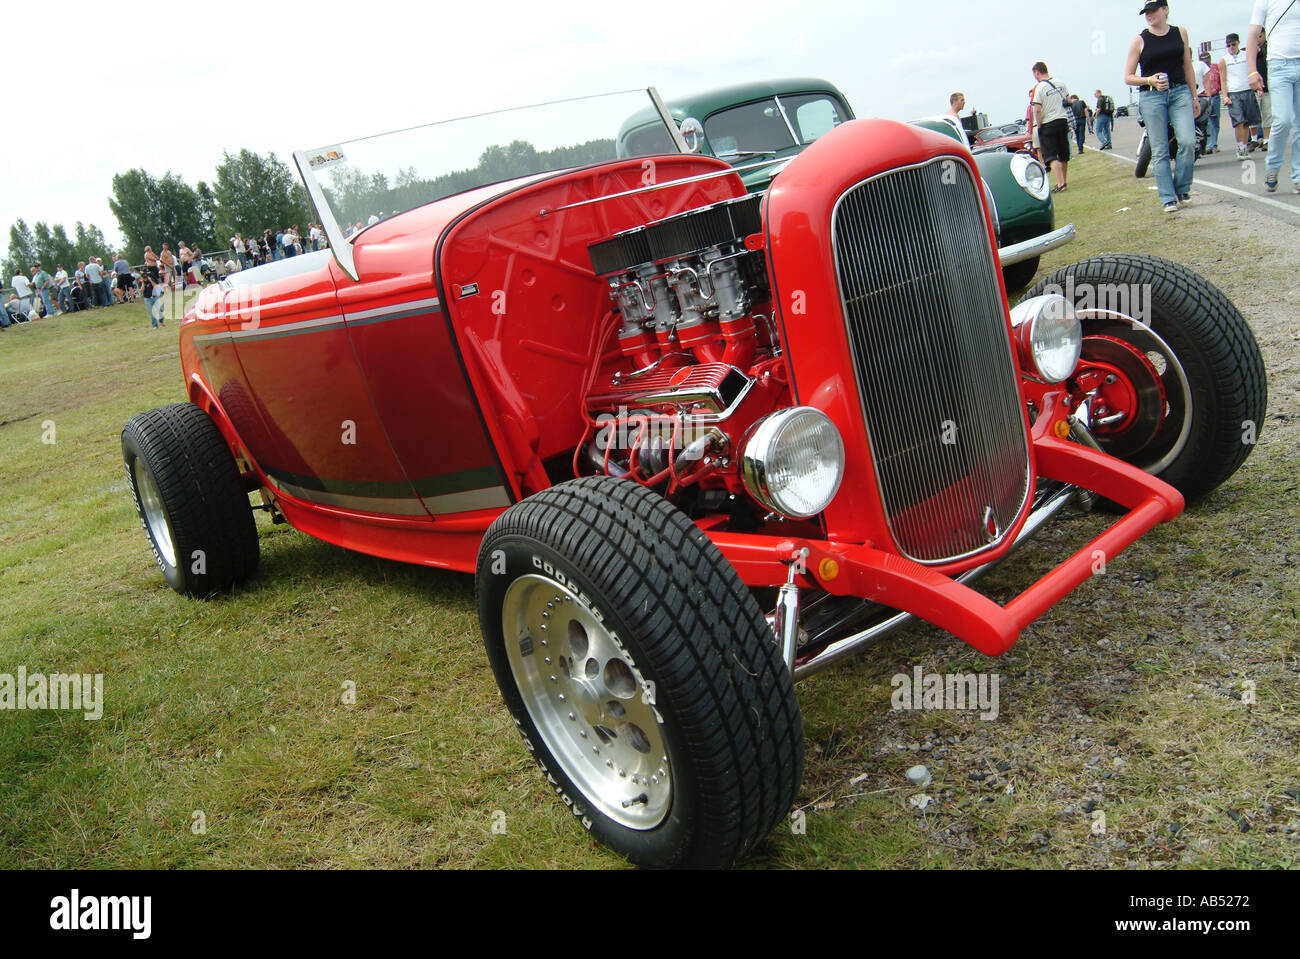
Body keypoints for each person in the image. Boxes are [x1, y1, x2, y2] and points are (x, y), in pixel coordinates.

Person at [1126, 0, 1200, 212]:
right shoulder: (1139, 40)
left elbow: (1187, 65)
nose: (1149, 15)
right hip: (1152, 97)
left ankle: (1182, 188)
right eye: (1146, 12)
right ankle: (1167, 197)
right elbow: (1128, 77)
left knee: (1187, 141)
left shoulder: (1180, 33)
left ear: (1165, 10)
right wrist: (1150, 80)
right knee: (1159, 149)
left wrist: (1194, 97)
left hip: (1179, 92)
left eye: (1153, 10)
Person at [1251, 5, 1299, 192]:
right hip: (1280, 66)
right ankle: (1272, 166)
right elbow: (1253, 35)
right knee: (1283, 120)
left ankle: (1298, 175)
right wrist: (1252, 71)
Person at [1031, 62, 1072, 191]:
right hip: (1062, 120)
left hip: (1048, 123)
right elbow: (1068, 100)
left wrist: (1039, 125)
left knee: (1051, 155)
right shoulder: (1060, 82)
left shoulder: (1040, 87)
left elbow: (1037, 109)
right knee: (1063, 153)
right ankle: (1064, 180)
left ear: (1037, 72)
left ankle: (1060, 184)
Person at [1223, 31, 1262, 159]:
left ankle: (1244, 147)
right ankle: (1240, 146)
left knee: (1247, 122)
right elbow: (1223, 80)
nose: (1231, 48)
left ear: (1238, 43)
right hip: (1233, 93)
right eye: (1228, 45)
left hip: (1247, 90)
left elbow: (1253, 69)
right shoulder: (1224, 60)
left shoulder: (1246, 55)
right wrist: (1225, 95)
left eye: (1233, 44)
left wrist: (1258, 87)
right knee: (1238, 122)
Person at [1195, 51, 1223, 152]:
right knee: (1205, 122)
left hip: (1215, 96)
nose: (1206, 62)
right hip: (1202, 97)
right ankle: (1207, 146)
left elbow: (1222, 80)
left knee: (1214, 121)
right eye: (1204, 60)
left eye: (1207, 60)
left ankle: (1213, 145)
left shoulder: (1216, 67)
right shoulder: (1198, 68)